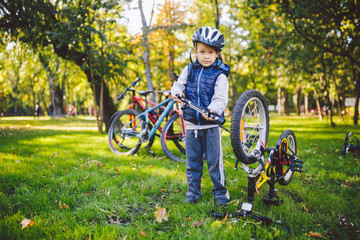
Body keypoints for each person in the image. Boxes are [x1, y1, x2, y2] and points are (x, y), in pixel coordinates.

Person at [171, 26, 230, 206]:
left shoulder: (220, 76)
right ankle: (193, 193)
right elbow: (178, 85)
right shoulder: (189, 70)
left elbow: (220, 99)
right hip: (191, 127)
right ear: (195, 51)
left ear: (217, 54)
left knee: (214, 163)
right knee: (193, 163)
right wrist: (177, 92)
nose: (206, 56)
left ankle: (220, 193)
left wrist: (212, 110)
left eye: (210, 52)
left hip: (211, 127)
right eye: (202, 51)